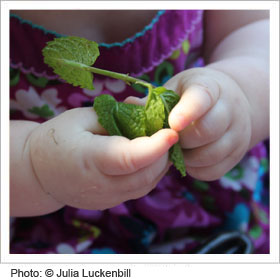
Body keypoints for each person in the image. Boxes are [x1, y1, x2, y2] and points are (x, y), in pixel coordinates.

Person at [10, 10, 269, 254]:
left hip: (211, 188)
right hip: (57, 227)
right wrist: (33, 163)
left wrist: (242, 92)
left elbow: (257, 30)